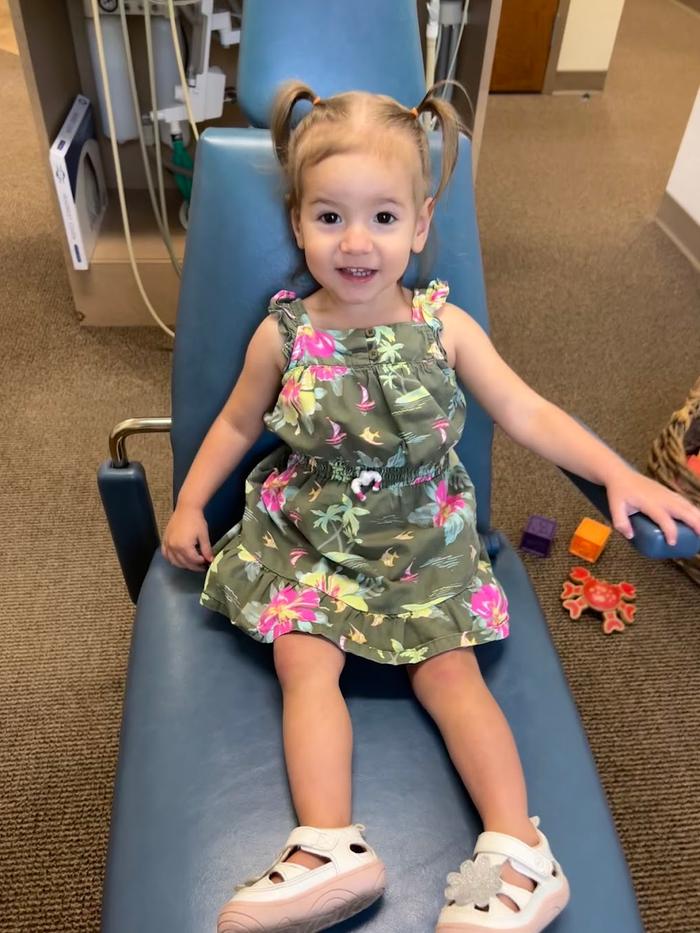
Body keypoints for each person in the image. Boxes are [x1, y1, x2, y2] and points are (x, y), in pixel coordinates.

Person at [161, 80, 700, 933]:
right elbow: (235, 421)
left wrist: (622, 475)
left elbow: (527, 411)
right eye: (329, 217)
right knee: (304, 657)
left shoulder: (444, 326)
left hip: (422, 540)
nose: (356, 243)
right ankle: (329, 844)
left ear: (419, 225)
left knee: (449, 673)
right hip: (312, 538)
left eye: (383, 217)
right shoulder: (285, 333)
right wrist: (190, 500)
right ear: (297, 223)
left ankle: (520, 849)